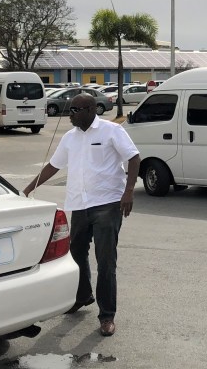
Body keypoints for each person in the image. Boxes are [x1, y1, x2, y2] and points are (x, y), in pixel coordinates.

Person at [23, 93, 140, 337]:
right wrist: (27, 190)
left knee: (106, 260)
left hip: (107, 203)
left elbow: (133, 157)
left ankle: (107, 315)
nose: (70, 115)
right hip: (78, 205)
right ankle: (83, 295)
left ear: (89, 110)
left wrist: (128, 192)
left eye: (74, 110)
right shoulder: (70, 138)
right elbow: (53, 166)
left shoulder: (111, 131)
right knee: (75, 254)